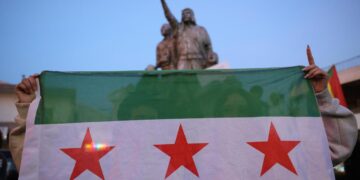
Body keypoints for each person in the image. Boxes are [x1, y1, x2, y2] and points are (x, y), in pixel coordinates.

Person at [9, 46, 358, 171]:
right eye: (138, 118)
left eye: (240, 110)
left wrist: (320, 100)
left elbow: (331, 151)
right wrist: (28, 110)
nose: (144, 124)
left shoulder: (240, 152)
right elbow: (39, 164)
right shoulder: (109, 158)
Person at [160, 0, 218, 69]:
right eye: (183, 14)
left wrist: (211, 56)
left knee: (198, 79)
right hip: (183, 60)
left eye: (187, 13)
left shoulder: (201, 30)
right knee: (181, 79)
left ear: (192, 16)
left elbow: (208, 47)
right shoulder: (178, 29)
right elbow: (169, 16)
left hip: (198, 60)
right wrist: (163, 2)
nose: (185, 15)